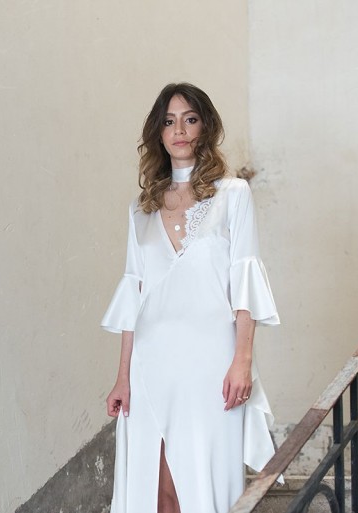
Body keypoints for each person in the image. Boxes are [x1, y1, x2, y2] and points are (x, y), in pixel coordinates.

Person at [101, 83, 280, 513]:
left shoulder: (233, 194)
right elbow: (134, 295)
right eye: (169, 121)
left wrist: (242, 361)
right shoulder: (141, 208)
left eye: (190, 119)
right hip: (151, 361)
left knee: (201, 479)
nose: (179, 130)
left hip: (210, 362)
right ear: (159, 133)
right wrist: (123, 376)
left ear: (205, 127)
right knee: (155, 484)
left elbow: (244, 284)